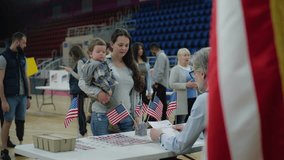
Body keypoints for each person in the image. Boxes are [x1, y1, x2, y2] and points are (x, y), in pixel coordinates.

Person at [79, 28, 144, 136]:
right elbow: (82, 82)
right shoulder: (101, 61)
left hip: (126, 117)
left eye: (126, 45)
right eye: (120, 45)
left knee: (128, 151)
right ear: (112, 44)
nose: (124, 48)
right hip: (103, 116)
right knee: (105, 152)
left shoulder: (132, 66)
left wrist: (137, 115)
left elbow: (134, 95)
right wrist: (98, 93)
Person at [150, 47, 210, 155]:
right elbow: (213, 131)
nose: (194, 77)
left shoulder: (204, 100)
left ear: (202, 73)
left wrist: (160, 136)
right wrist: (189, 129)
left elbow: (180, 146)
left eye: (194, 73)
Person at [0, 32, 31, 160]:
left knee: (20, 122)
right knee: (7, 122)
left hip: (23, 97)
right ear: (17, 41)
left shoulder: (23, 57)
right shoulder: (3, 57)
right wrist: (3, 100)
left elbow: (26, 77)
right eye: (24, 42)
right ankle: (4, 150)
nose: (25, 45)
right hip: (10, 97)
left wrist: (28, 97)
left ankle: (20, 147)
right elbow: (0, 80)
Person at [61, 45, 88, 137]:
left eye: (72, 54)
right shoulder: (84, 60)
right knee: (80, 111)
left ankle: (82, 132)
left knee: (79, 112)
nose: (72, 57)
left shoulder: (80, 61)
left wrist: (70, 71)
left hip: (78, 90)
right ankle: (83, 130)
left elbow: (80, 77)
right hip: (79, 90)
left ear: (75, 53)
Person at [169, 48, 198, 124]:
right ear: (179, 57)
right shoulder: (175, 69)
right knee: (180, 122)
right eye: (185, 55)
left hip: (193, 97)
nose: (187, 57)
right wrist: (186, 85)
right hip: (181, 100)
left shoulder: (192, 68)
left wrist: (197, 85)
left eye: (188, 55)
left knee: (191, 121)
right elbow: (171, 84)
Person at [150, 42, 170, 120]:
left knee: (156, 102)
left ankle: (153, 119)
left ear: (154, 49)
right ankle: (163, 118)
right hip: (162, 83)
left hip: (159, 83)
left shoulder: (161, 56)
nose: (152, 53)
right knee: (162, 102)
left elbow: (160, 71)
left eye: (151, 51)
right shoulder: (162, 56)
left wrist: (156, 82)